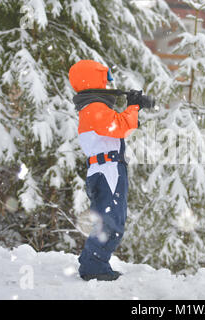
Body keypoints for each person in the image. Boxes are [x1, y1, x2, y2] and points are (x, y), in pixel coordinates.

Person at [68, 60, 142, 281]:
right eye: (105, 79)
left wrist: (134, 107)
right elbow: (121, 126)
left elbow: (118, 125)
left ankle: (93, 262)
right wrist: (134, 107)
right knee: (111, 221)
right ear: (93, 79)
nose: (109, 84)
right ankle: (94, 268)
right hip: (107, 170)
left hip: (107, 169)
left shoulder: (93, 106)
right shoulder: (93, 107)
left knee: (110, 218)